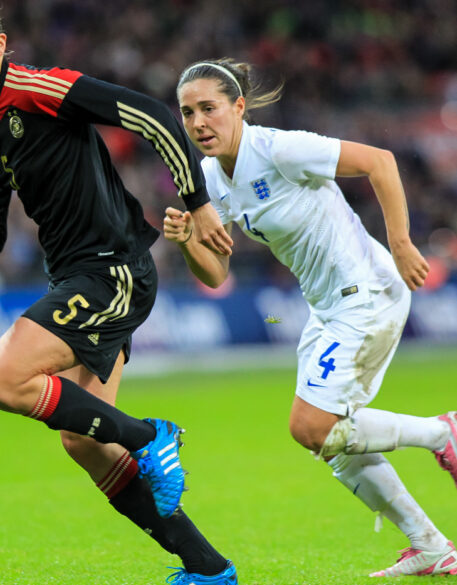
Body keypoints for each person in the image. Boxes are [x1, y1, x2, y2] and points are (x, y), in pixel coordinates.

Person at [0, 3, 237, 584]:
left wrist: (198, 203)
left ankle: (152, 437)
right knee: (83, 441)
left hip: (114, 269)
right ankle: (209, 568)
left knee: (0, 379)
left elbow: (152, 116)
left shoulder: (43, 89)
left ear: (0, 44)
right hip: (74, 278)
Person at [164, 58, 457, 578]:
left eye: (208, 108)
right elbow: (216, 275)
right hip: (327, 307)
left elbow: (381, 162)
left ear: (238, 107)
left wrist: (403, 244)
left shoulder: (278, 149)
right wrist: (188, 241)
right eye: (187, 113)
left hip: (366, 292)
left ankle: (442, 434)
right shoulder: (210, 177)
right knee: (332, 442)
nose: (197, 123)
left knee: (311, 426)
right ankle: (431, 546)